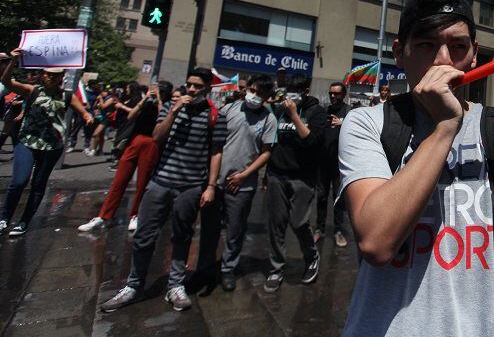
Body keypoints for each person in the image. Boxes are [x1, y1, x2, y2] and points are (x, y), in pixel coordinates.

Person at [337, 0, 494, 336]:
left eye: (458, 46)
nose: (443, 60)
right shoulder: (368, 122)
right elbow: (376, 240)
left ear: (474, 55)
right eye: (426, 45)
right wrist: (446, 127)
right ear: (399, 53)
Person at [100, 68, 227, 313]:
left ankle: (175, 285)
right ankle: (133, 285)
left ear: (208, 89)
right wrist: (174, 111)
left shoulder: (215, 116)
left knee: (182, 236)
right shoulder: (171, 107)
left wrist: (210, 186)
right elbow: (157, 137)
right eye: (189, 84)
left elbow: (216, 152)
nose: (191, 90)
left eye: (198, 86)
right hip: (160, 183)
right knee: (144, 235)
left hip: (190, 187)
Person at [197, 74, 277, 291]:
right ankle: (204, 268)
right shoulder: (230, 109)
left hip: (242, 185)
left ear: (267, 96)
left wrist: (244, 175)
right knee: (210, 228)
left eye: (260, 93)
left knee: (235, 229)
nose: (253, 96)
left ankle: (227, 269)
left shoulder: (268, 120)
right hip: (216, 180)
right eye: (252, 90)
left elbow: (266, 153)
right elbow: (215, 141)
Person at [0, 50, 93, 236]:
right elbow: (6, 82)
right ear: (43, 75)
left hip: (51, 147)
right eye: (48, 74)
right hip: (27, 142)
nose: (51, 77)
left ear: (61, 77)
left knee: (38, 184)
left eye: (55, 75)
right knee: (19, 181)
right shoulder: (32, 90)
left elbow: (83, 111)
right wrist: (15, 60)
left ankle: (24, 221)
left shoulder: (67, 96)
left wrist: (87, 115)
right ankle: (4, 218)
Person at [78, 82, 176, 233]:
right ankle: (104, 216)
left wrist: (159, 100)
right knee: (119, 180)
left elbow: (162, 120)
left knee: (142, 183)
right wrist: (144, 100)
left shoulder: (169, 106)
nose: (157, 94)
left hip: (152, 143)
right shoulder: (146, 103)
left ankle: (136, 215)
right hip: (135, 140)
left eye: (161, 92)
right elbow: (130, 116)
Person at [263, 74, 329, 293]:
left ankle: (311, 257)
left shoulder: (316, 112)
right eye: (289, 89)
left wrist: (294, 116)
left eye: (296, 90)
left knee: (299, 222)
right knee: (277, 223)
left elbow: (311, 141)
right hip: (277, 174)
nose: (291, 94)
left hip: (303, 176)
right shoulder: (279, 110)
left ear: (305, 91)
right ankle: (276, 268)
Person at [316, 81, 350, 247]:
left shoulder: (350, 112)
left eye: (336, 93)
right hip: (323, 163)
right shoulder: (324, 112)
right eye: (331, 93)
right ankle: (319, 228)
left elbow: (357, 132)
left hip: (340, 165)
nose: (333, 96)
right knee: (321, 197)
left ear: (343, 95)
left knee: (338, 199)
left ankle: (338, 230)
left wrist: (343, 124)